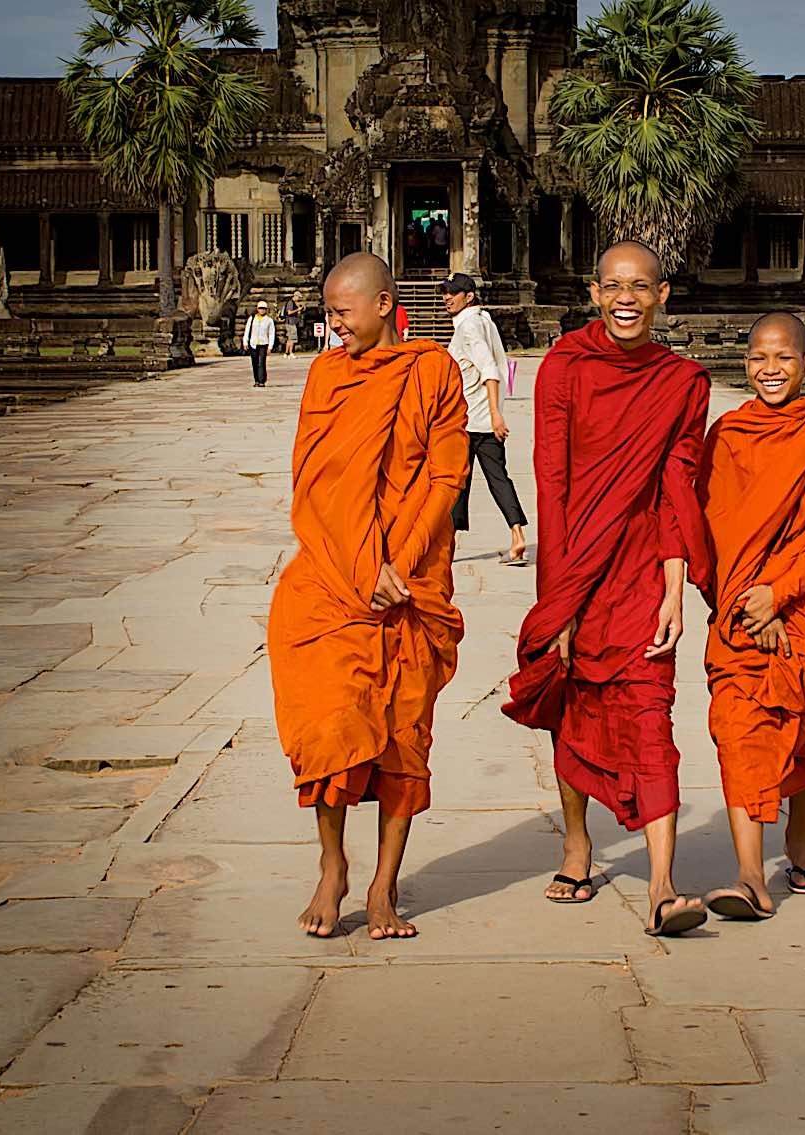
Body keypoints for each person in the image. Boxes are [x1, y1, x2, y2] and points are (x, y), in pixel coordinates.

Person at [502, 240, 710, 938]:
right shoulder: (564, 366)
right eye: (614, 286)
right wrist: (559, 596)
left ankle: (662, 883)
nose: (627, 298)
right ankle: (577, 844)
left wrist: (675, 585)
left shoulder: (684, 383)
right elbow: (550, 481)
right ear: (594, 292)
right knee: (575, 706)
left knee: (652, 712)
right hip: (575, 564)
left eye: (641, 286)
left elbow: (679, 485)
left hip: (644, 567)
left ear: (662, 295)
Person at [268, 251, 469, 940]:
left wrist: (400, 565)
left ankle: (384, 886)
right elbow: (312, 484)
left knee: (401, 738)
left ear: (385, 305)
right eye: (328, 314)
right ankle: (333, 865)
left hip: (408, 584)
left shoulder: (432, 370)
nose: (333, 326)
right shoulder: (325, 375)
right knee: (327, 726)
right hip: (331, 578)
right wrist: (357, 565)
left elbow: (446, 476)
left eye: (341, 313)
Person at [698, 312, 805, 921]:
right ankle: (749, 875)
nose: (770, 370)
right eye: (759, 359)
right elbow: (710, 529)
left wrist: (780, 592)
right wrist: (744, 601)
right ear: (745, 365)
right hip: (742, 611)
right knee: (738, 728)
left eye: (784, 359)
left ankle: (797, 839)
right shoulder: (727, 436)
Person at [442, 273, 530, 566]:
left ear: (469, 297)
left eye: (453, 293)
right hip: (481, 420)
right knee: (497, 479)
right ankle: (517, 537)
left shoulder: (469, 327)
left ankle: (447, 546)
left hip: (470, 421)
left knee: (456, 482)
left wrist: (495, 416)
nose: (446, 297)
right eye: (445, 292)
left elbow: (490, 370)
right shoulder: (483, 320)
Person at [243, 299, 276, 387]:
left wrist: (270, 346)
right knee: (254, 362)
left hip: (263, 344)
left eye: (264, 308)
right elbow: (247, 330)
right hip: (253, 343)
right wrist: (245, 342)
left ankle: (262, 380)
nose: (262, 310)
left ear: (266, 309)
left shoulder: (269, 320)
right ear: (257, 309)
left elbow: (271, 333)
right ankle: (256, 380)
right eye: (260, 308)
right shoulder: (252, 318)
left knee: (262, 362)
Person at [283, 291, 303, 357]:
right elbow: (289, 312)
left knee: (289, 338)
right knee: (292, 338)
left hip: (291, 322)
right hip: (290, 323)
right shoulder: (290, 303)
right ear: (295, 296)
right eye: (299, 297)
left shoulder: (294, 303)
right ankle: (291, 353)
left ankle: (286, 353)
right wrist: (298, 309)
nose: (299, 299)